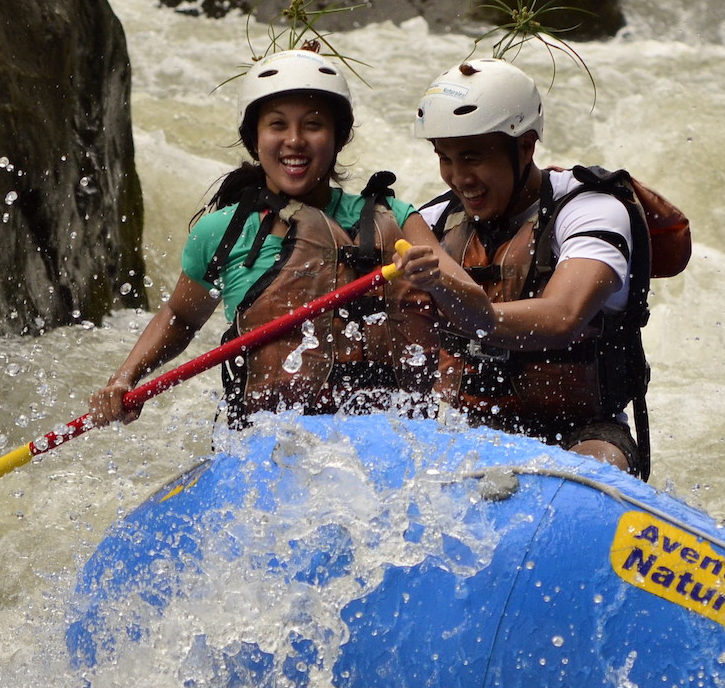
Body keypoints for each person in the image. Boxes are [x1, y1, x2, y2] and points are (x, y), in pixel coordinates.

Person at [90, 48, 441, 427]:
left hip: (393, 436)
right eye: (277, 125)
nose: (294, 140)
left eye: (312, 125)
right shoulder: (222, 233)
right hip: (268, 445)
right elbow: (180, 316)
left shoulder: (396, 220)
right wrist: (126, 378)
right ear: (253, 139)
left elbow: (461, 296)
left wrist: (433, 275)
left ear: (338, 137)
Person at [396, 57, 653, 477]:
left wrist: (474, 312)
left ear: (526, 146)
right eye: (446, 159)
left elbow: (563, 316)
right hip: (468, 432)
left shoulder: (590, 209)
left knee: (588, 471)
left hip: (584, 431)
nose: (459, 178)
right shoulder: (435, 221)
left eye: (473, 158)